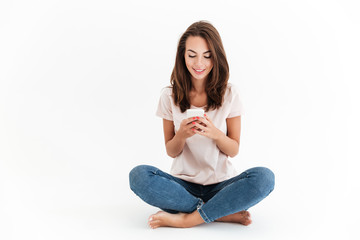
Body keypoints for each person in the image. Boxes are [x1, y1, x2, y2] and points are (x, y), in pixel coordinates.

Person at [129, 20, 275, 229]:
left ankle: (190, 218)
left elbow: (233, 149)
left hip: (221, 184)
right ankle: (218, 212)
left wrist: (215, 134)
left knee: (264, 178)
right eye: (192, 55)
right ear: (183, 56)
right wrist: (181, 135)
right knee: (139, 176)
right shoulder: (169, 96)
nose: (199, 63)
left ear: (216, 57)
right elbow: (171, 150)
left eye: (207, 56)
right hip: (183, 186)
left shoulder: (230, 94)